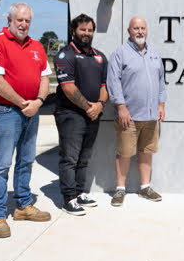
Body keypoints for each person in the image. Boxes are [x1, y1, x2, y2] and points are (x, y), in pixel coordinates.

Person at [0, 2, 52, 238]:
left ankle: (22, 206)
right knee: (2, 165)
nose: (23, 24)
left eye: (27, 20)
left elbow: (44, 77)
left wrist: (39, 102)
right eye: (19, 20)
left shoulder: (37, 46)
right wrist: (24, 103)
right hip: (8, 112)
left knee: (26, 160)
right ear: (9, 20)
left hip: (32, 111)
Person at [107, 16, 166, 206]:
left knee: (146, 151)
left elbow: (161, 82)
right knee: (125, 152)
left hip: (150, 115)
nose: (140, 31)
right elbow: (113, 82)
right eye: (136, 28)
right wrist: (121, 107)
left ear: (146, 30)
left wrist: (161, 105)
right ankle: (120, 189)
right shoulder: (120, 53)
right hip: (129, 116)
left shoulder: (155, 54)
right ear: (129, 31)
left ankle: (145, 187)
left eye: (142, 28)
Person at [53, 14, 108, 216]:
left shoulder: (99, 56)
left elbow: (105, 85)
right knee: (70, 158)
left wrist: (100, 105)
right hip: (71, 114)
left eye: (90, 30)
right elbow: (68, 88)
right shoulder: (64, 55)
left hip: (93, 114)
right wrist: (89, 107)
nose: (87, 33)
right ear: (73, 30)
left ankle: (79, 192)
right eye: (83, 29)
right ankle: (68, 198)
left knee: (84, 157)